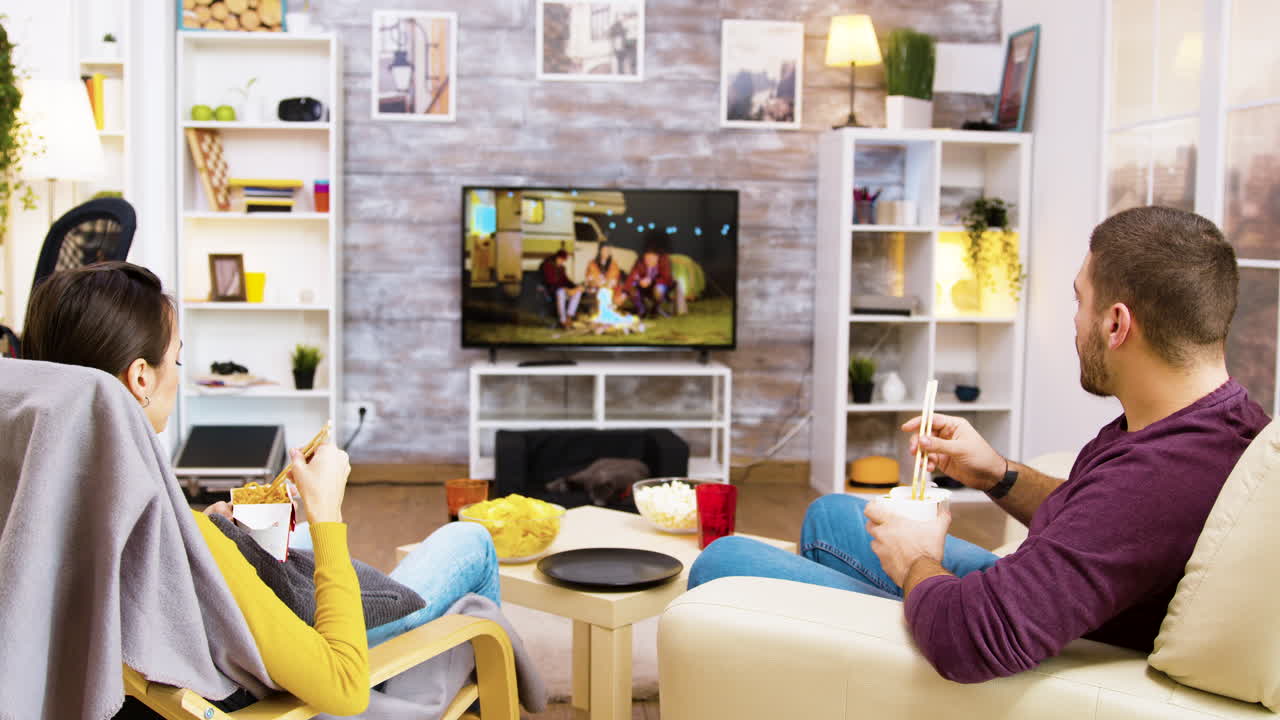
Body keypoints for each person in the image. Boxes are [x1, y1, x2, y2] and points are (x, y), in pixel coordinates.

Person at [689, 206, 1270, 683]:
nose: (1074, 321)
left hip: (1007, 639)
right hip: (1043, 597)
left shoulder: (1159, 478)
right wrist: (994, 472)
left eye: (1079, 301)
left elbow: (971, 639)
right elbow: (1096, 525)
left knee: (724, 562)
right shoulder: (1215, 421)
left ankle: (795, 651)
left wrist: (918, 557)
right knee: (834, 515)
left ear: (1116, 325)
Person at [21, 261, 501, 715]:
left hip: (209, 622)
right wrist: (326, 511)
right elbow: (344, 684)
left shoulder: (39, 510)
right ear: (141, 377)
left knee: (296, 544)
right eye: (178, 358)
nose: (178, 370)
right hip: (300, 662)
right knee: (471, 541)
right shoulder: (190, 547)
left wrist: (203, 528)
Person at [624, 244, 679, 318]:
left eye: (651, 258)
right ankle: (641, 309)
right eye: (646, 258)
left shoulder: (664, 262)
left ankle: (656, 308)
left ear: (657, 257)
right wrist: (624, 292)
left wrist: (651, 280)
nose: (648, 261)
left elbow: (667, 278)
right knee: (632, 287)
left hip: (660, 286)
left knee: (659, 288)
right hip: (645, 288)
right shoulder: (640, 263)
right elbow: (631, 277)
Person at [539, 249, 582, 328]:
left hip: (560, 289)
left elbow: (565, 280)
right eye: (561, 260)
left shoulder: (562, 268)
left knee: (578, 292)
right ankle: (562, 320)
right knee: (561, 292)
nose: (562, 262)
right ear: (557, 257)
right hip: (550, 290)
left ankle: (569, 316)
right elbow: (550, 282)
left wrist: (575, 286)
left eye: (564, 260)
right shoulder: (547, 265)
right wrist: (566, 289)